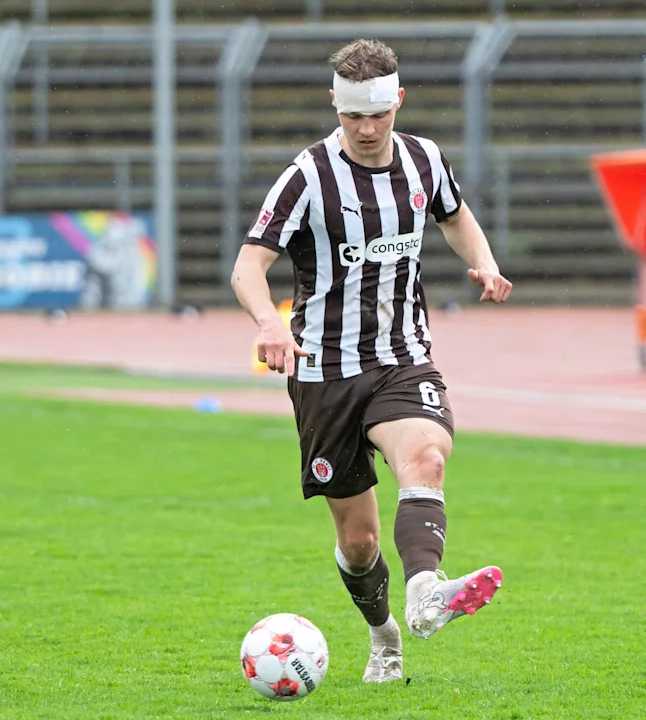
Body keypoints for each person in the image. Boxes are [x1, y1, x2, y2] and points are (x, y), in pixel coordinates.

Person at [231, 39, 514, 683]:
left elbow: (456, 216)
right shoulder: (307, 176)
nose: (365, 129)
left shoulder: (424, 160)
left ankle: (425, 594)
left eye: (378, 115)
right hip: (324, 372)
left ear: (398, 103)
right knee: (358, 543)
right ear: (335, 103)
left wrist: (487, 261)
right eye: (353, 115)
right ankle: (385, 636)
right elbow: (249, 265)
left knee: (426, 456)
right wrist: (266, 327)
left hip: (401, 358)